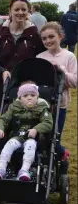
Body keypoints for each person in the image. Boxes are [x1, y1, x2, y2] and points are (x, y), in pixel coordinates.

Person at [0, 0, 46, 112]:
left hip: (27, 88)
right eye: (16, 9)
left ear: (28, 11)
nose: (20, 12)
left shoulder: (35, 34)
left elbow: (42, 59)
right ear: (10, 11)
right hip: (3, 87)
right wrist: (2, 71)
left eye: (24, 9)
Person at [0, 82, 53, 181]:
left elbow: (48, 122)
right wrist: (0, 128)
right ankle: (1, 168)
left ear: (37, 97)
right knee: (9, 144)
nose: (29, 98)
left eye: (33, 95)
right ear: (19, 98)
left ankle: (24, 170)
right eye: (25, 96)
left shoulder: (42, 108)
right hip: (17, 136)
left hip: (33, 138)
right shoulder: (14, 107)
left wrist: (36, 129)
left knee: (30, 145)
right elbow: (4, 119)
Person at [37, 22, 77, 163]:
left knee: (54, 137)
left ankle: (60, 153)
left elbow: (75, 81)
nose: (48, 41)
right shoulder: (40, 57)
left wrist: (62, 71)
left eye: (51, 37)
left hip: (60, 105)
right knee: (41, 136)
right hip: (41, 105)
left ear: (60, 36)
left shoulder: (69, 56)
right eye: (44, 38)